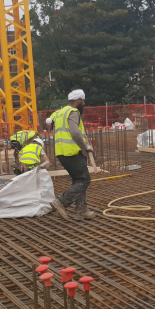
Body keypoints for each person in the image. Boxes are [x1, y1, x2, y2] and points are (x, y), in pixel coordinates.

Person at [49, 89, 96, 220]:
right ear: (78, 101)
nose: (84, 104)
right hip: (72, 153)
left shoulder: (60, 113)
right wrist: (85, 147)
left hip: (62, 153)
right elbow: (75, 133)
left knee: (79, 180)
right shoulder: (73, 112)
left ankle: (81, 210)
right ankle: (61, 201)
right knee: (84, 180)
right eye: (83, 101)